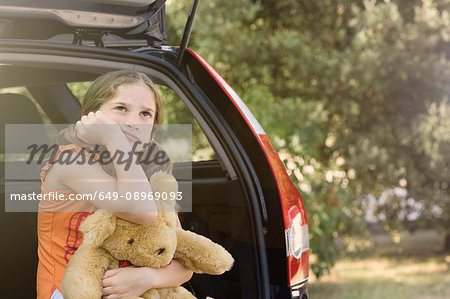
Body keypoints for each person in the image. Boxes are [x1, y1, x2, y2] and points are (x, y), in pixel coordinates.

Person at [37, 70, 193, 299]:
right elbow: (142, 211)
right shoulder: (70, 160)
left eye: (145, 114)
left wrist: (147, 278)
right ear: (93, 116)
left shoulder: (145, 172)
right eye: (121, 108)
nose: (133, 122)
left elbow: (184, 262)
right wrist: (113, 138)